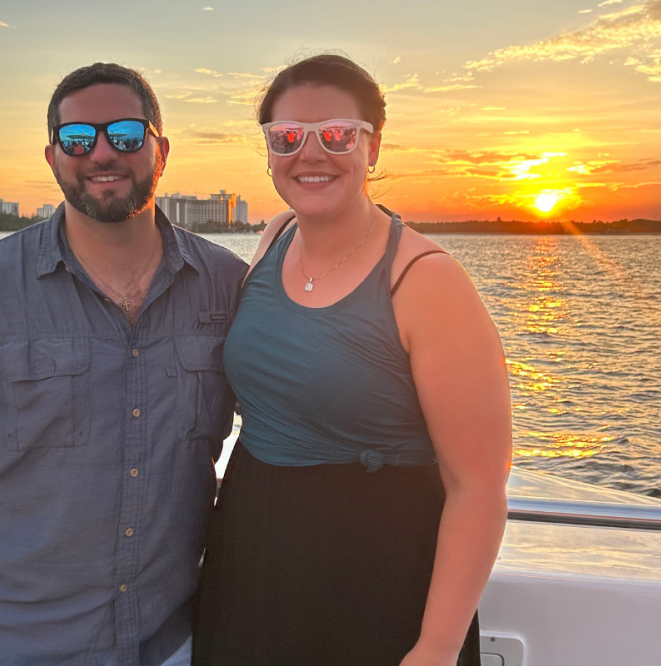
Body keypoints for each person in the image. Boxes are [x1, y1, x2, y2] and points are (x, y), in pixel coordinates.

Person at [0, 63, 247, 666]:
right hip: (14, 642)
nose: (103, 154)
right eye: (79, 140)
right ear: (53, 157)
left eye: (126, 134)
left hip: (170, 639)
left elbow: (286, 421)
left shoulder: (227, 286)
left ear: (160, 150)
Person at [193, 54, 512, 666]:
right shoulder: (273, 239)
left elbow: (478, 487)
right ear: (268, 151)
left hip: (377, 570)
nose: (310, 153)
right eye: (287, 137)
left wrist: (437, 648)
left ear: (373, 146)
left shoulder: (426, 280)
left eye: (336, 134)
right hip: (251, 554)